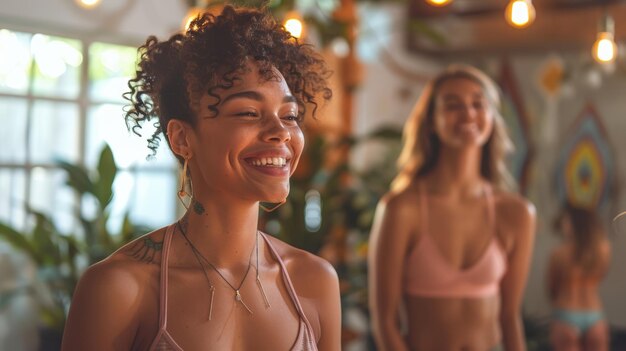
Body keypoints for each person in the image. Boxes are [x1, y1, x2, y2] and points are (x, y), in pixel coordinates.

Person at [61, 5, 341, 351]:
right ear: (182, 138)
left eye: (290, 114)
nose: (281, 132)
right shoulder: (118, 287)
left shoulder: (314, 281)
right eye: (249, 112)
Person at [368, 64, 536, 351]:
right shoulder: (401, 209)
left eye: (478, 104)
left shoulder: (517, 213)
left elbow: (509, 318)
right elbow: (385, 322)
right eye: (453, 105)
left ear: (492, 118)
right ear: (431, 120)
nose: (468, 113)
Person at [548, 202, 611, 351]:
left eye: (566, 220)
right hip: (595, 313)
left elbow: (552, 288)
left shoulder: (559, 253)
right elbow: (602, 275)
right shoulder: (604, 250)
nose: (564, 224)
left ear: (575, 223)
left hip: (566, 313)